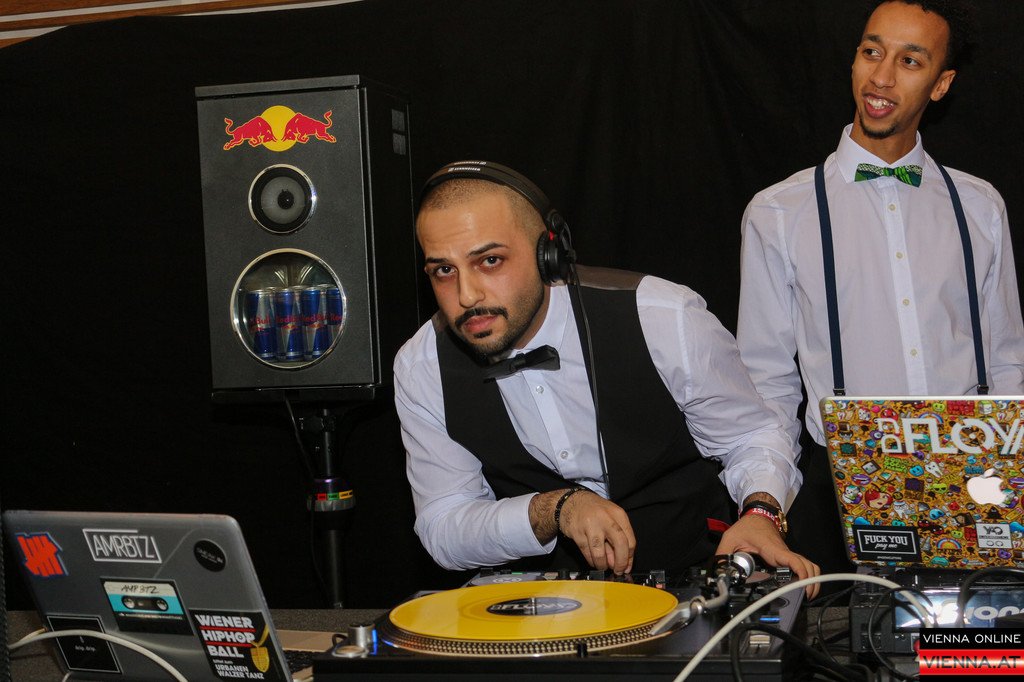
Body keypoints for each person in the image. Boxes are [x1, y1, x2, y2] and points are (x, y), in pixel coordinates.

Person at [394, 160, 820, 591]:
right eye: (444, 270)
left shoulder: (663, 318)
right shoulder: (421, 367)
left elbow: (752, 437)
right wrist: (554, 509)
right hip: (538, 604)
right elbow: (443, 526)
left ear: (548, 254)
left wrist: (761, 512)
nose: (467, 295)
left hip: (694, 581)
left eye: (490, 260)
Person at [737, 0, 1024, 577]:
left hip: (975, 484)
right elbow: (766, 387)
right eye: (872, 52)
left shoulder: (980, 206)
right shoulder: (778, 212)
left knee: (973, 634)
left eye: (910, 61)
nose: (882, 77)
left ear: (941, 84)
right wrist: (763, 504)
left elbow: (1007, 365)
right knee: (850, 635)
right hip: (839, 491)